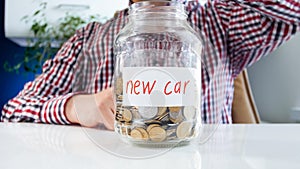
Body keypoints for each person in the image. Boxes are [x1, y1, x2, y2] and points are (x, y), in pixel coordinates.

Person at [1, 0, 300, 130]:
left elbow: (291, 10)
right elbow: (13, 111)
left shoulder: (219, 22)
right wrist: (81, 106)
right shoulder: (87, 38)